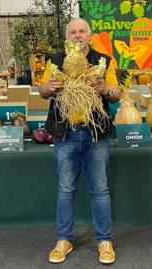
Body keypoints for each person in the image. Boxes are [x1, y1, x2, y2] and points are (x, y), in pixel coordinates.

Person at [39, 18, 121, 265]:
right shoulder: (55, 60)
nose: (77, 35)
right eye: (73, 31)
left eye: (81, 31)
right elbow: (42, 91)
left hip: (95, 133)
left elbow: (116, 95)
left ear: (89, 35)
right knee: (65, 189)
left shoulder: (103, 60)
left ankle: (104, 240)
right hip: (66, 133)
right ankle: (64, 239)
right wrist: (50, 87)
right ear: (67, 36)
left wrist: (103, 87)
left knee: (100, 189)